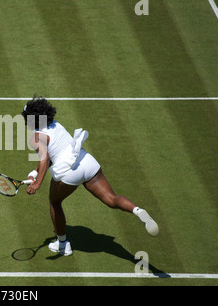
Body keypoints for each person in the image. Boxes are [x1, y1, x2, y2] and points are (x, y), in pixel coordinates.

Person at [22, 96, 159, 256]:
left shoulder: (36, 138)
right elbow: (54, 153)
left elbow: (45, 159)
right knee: (111, 199)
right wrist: (35, 172)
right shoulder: (55, 124)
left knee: (55, 202)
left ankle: (62, 244)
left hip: (69, 172)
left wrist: (37, 183)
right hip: (86, 161)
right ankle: (137, 210)